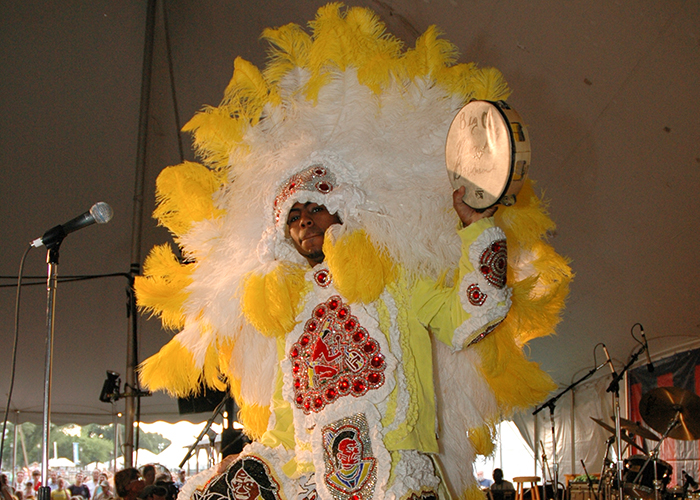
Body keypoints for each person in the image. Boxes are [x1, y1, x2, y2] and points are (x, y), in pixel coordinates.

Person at [135, 5, 571, 500]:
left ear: (342, 211)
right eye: (292, 215)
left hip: (399, 473)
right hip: (315, 477)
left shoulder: (396, 279)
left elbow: (471, 317)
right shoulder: (289, 310)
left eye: (315, 207)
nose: (303, 219)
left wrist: (477, 231)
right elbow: (285, 424)